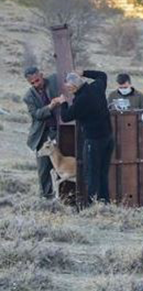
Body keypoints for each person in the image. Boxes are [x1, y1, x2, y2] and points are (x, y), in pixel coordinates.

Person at [59, 70, 113, 204]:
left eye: (69, 87)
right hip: (108, 138)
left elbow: (65, 117)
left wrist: (63, 102)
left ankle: (91, 204)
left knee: (92, 174)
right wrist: (84, 72)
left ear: (74, 87)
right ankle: (104, 202)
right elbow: (102, 75)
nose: (69, 90)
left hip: (93, 141)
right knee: (102, 173)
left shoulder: (81, 100)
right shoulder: (96, 87)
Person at [23, 67, 64, 199]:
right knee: (43, 169)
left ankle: (65, 196)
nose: (36, 84)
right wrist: (50, 106)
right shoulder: (28, 96)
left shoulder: (54, 80)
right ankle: (46, 199)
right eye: (32, 83)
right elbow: (36, 114)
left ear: (41, 75)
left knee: (62, 165)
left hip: (61, 130)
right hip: (43, 134)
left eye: (37, 80)